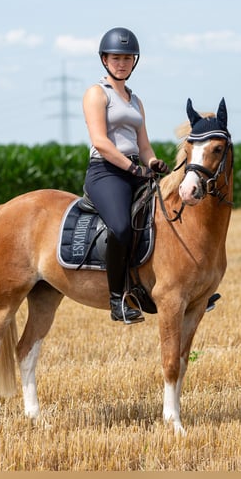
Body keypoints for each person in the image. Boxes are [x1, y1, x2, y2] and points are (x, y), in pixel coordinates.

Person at [83, 27, 169, 325]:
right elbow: (101, 142)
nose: (122, 63)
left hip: (135, 170)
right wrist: (132, 168)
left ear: (135, 62)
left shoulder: (135, 100)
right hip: (106, 172)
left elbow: (144, 145)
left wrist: (153, 162)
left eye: (127, 58)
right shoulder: (97, 93)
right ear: (105, 60)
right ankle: (117, 299)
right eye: (116, 58)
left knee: (170, 216)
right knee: (121, 227)